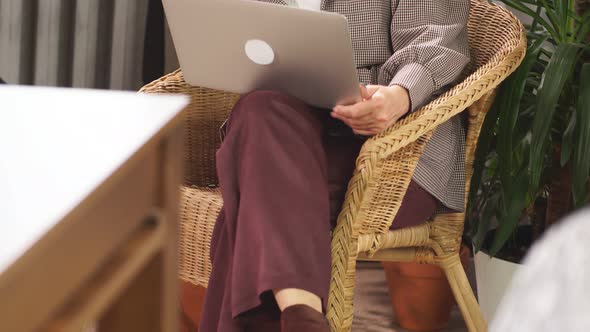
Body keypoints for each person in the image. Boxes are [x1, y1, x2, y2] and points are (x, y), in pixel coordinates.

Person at [200, 0, 471, 331]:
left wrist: (399, 96)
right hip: (280, 133)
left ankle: (302, 318)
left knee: (250, 200)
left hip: (396, 149)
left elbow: (434, 37)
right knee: (259, 109)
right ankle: (303, 317)